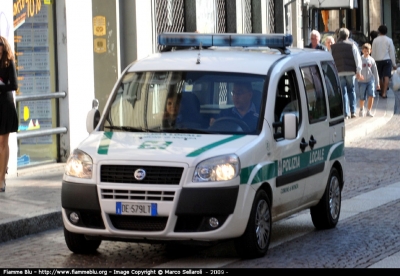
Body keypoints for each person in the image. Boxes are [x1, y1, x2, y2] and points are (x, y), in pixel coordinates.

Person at [331, 28, 364, 119]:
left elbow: (331, 60)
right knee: (351, 90)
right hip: (350, 71)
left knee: (343, 92)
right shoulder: (352, 45)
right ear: (348, 35)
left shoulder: (333, 47)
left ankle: (346, 113)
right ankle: (353, 111)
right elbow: (358, 59)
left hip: (339, 71)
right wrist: (358, 71)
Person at [0, 36, 18, 192]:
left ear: (4, 46)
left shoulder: (9, 62)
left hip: (5, 105)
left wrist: (1, 86)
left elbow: (14, 85)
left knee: (2, 143)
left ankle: (2, 180)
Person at [371, 25, 397, 98]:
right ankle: (384, 93)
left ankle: (382, 90)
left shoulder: (375, 40)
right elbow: (392, 52)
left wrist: (372, 62)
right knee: (386, 76)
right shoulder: (389, 40)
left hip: (377, 60)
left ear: (379, 31)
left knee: (379, 76)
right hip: (387, 60)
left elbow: (373, 52)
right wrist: (394, 64)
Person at [357, 43, 380, 118]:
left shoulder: (372, 60)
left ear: (370, 51)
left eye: (368, 51)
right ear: (362, 51)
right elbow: (357, 69)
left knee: (371, 94)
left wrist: (377, 83)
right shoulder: (360, 59)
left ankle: (369, 110)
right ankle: (361, 108)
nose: (366, 52)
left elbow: (375, 71)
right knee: (362, 96)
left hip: (370, 80)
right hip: (362, 81)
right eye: (364, 50)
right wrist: (358, 76)